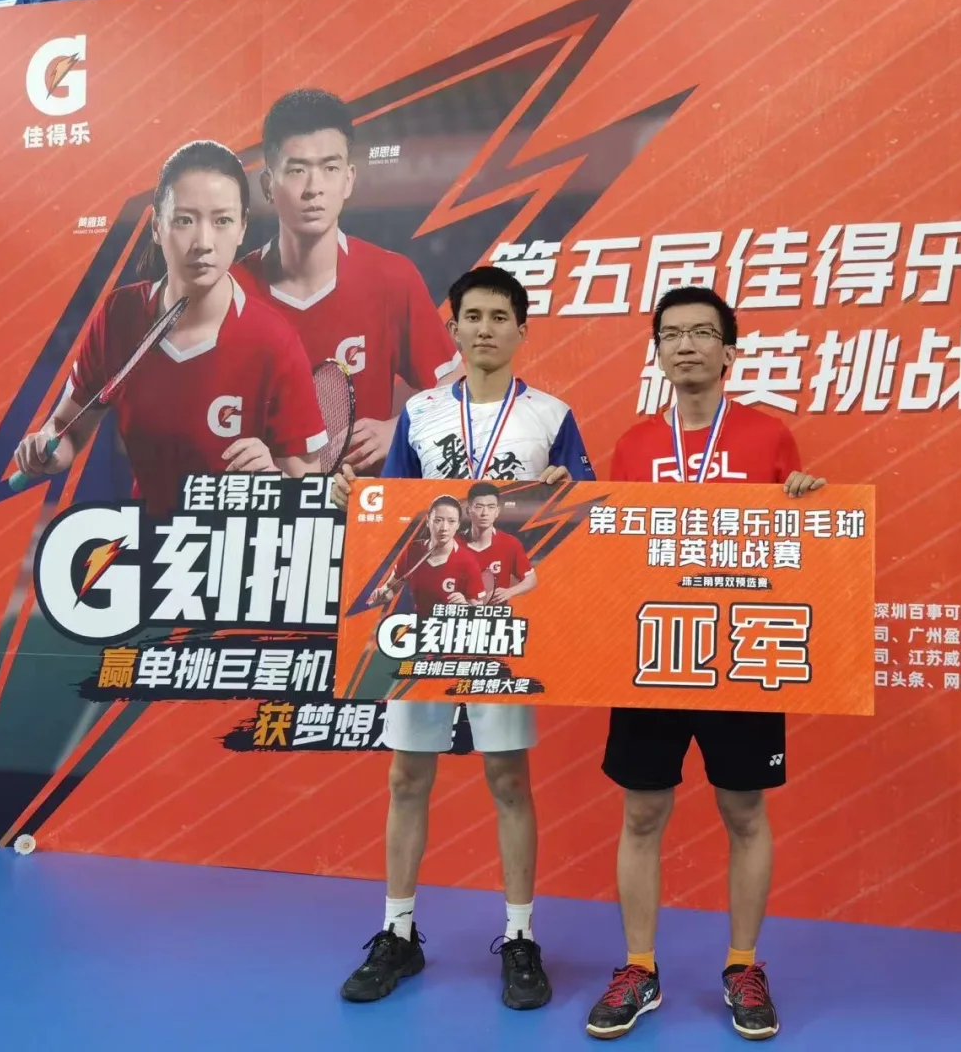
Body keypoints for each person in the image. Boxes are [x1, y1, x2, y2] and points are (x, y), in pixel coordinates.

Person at [330, 264, 595, 1010]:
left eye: (499, 317)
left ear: (521, 330)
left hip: (503, 629)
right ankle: (398, 933)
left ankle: (520, 937)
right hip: (421, 624)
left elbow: (583, 516)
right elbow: (389, 514)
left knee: (508, 780)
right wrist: (356, 498)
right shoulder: (419, 414)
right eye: (471, 316)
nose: (484, 328)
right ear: (452, 329)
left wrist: (566, 496)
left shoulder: (552, 415)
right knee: (406, 779)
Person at [585, 286, 824, 1042]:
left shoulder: (769, 436)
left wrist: (804, 502)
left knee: (744, 812)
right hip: (655, 653)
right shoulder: (634, 445)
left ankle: (743, 966)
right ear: (657, 351)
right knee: (641, 812)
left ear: (729, 350)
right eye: (671, 334)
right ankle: (639, 968)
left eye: (701, 333)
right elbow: (612, 553)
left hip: (741, 653)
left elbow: (795, 551)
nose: (685, 345)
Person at [13, 140, 327, 516]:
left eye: (222, 221)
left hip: (238, 541)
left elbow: (308, 486)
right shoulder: (119, 315)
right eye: (184, 220)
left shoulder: (274, 341)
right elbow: (68, 427)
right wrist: (47, 447)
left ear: (242, 227)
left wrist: (272, 479)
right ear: (157, 227)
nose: (203, 243)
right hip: (149, 537)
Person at [235, 88, 460, 474]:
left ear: (349, 180)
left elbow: (458, 386)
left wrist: (401, 428)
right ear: (268, 185)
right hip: (264, 503)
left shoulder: (391, 277)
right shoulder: (230, 292)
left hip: (361, 502)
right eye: (297, 170)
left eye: (330, 168)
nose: (314, 188)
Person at [368, 494, 486, 612]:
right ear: (428, 520)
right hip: (418, 621)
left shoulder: (468, 561)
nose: (444, 528)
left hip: (449, 622)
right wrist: (382, 594)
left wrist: (464, 606)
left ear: (458, 524)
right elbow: (391, 588)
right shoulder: (413, 551)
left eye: (451, 521)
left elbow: (478, 607)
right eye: (438, 520)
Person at [461, 481, 536, 604]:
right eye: (479, 507)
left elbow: (531, 579)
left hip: (496, 614)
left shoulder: (510, 544)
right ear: (469, 510)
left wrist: (509, 592)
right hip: (460, 613)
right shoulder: (453, 544)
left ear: (497, 511)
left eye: (491, 507)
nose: (485, 513)